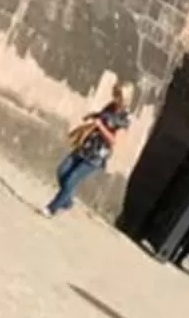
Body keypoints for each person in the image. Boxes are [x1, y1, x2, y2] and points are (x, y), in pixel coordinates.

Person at [47, 80, 133, 216]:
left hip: (96, 156)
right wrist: (93, 116)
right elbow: (102, 117)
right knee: (62, 171)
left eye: (118, 95)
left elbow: (114, 141)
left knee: (71, 180)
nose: (115, 97)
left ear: (124, 98)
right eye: (115, 93)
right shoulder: (111, 106)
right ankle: (67, 201)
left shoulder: (125, 118)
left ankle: (51, 208)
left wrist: (101, 127)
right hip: (86, 146)